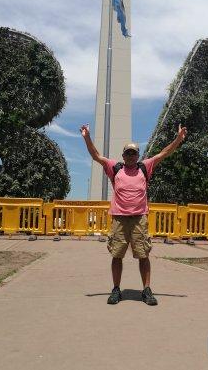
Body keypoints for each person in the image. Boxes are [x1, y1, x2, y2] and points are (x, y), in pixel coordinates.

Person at [80, 123, 187, 305]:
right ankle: (116, 290)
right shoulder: (115, 167)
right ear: (123, 155)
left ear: (138, 155)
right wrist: (87, 137)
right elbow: (96, 155)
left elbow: (164, 153)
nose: (130, 156)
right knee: (117, 255)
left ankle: (146, 290)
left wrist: (178, 139)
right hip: (119, 219)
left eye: (133, 153)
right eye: (128, 153)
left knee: (143, 255)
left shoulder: (145, 167)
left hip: (139, 219)